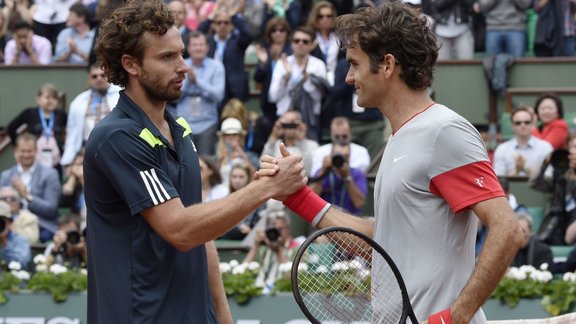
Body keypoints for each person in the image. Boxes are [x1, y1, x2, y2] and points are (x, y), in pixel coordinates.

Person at [259, 3, 523, 323]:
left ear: (386, 65)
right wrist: (298, 197)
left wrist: (456, 316)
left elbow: (507, 229)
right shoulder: (401, 138)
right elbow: (382, 242)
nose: (348, 77)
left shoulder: (444, 131)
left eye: (354, 64)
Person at [86, 0, 306, 322]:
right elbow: (181, 229)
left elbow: (202, 230)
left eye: (181, 54)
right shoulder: (117, 138)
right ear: (130, 65)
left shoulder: (179, 127)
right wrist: (266, 187)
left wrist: (223, 316)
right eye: (167, 57)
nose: (183, 66)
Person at [168, 31, 225, 156]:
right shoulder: (181, 66)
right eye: (195, 45)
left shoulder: (216, 66)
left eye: (201, 44)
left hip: (207, 124)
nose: (198, 48)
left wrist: (197, 81)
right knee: (186, 162)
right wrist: (188, 83)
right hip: (184, 123)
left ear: (207, 47)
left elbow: (218, 95)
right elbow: (173, 97)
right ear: (188, 48)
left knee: (206, 163)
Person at [268, 26, 328, 141]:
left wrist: (307, 81)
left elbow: (318, 98)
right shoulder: (282, 64)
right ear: (291, 43)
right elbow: (272, 97)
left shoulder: (318, 65)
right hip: (285, 119)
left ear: (312, 45)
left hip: (309, 120)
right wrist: (286, 78)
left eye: (305, 41)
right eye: (297, 41)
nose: (300, 44)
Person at [0, 133, 62, 243]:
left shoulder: (50, 174)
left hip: (41, 225)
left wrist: (27, 196)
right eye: (23, 151)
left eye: (30, 151)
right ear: (16, 151)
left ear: (36, 151)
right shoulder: (6, 175)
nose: (26, 155)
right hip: (9, 223)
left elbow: (51, 209)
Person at [60, 64, 121, 167]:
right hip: (87, 152)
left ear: (109, 76)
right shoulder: (78, 102)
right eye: (94, 76)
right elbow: (72, 132)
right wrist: (68, 159)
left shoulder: (121, 96)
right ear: (89, 78)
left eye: (102, 75)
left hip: (116, 151)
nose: (99, 79)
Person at [309, 125, 368, 215]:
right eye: (338, 157)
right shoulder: (323, 172)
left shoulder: (357, 174)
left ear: (349, 157)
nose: (341, 161)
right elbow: (310, 200)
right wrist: (322, 173)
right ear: (331, 156)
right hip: (326, 218)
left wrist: (347, 177)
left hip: (351, 218)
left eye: (344, 157)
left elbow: (359, 203)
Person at [7, 83, 67, 169]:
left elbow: (72, 130)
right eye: (47, 97)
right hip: (33, 157)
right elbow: (11, 128)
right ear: (38, 99)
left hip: (55, 159)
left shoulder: (61, 115)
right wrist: (18, 146)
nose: (50, 101)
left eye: (54, 98)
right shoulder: (30, 113)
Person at [492, 106, 553, 177]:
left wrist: (524, 169)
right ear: (512, 125)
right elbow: (498, 179)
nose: (523, 125)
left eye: (527, 122)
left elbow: (549, 177)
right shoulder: (502, 149)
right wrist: (517, 172)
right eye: (518, 123)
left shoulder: (545, 147)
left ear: (533, 124)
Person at [261, 110, 319, 176]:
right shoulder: (275, 144)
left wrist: (302, 141)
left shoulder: (312, 145)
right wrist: (274, 137)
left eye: (292, 123)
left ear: (300, 124)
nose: (289, 126)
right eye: (286, 123)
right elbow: (262, 165)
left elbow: (310, 171)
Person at [219, 163, 263, 240]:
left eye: (241, 177)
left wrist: (250, 231)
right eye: (234, 177)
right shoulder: (225, 200)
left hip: (248, 238)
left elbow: (260, 224)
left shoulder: (256, 200)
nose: (237, 180)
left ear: (248, 178)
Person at [0, 200, 31, 268]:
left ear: (9, 223)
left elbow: (22, 264)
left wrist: (5, 244)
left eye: (1, 221)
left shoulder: (19, 240)